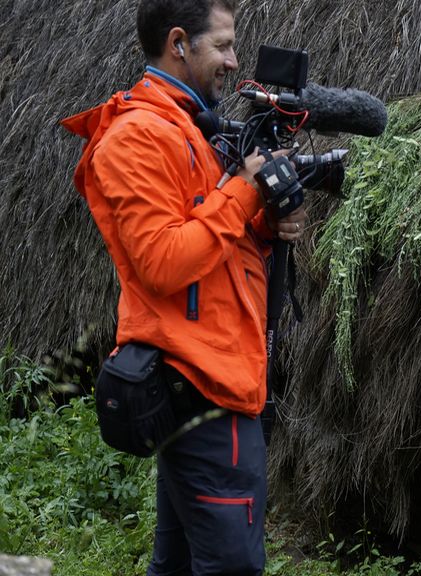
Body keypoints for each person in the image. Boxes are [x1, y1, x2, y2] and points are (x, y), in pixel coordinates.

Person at [61, 1, 307, 573]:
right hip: (202, 381)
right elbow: (164, 263)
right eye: (222, 45)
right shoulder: (138, 137)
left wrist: (264, 224)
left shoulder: (185, 128)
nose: (234, 60)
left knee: (176, 564)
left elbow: (209, 236)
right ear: (179, 43)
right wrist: (246, 192)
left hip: (212, 375)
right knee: (232, 567)